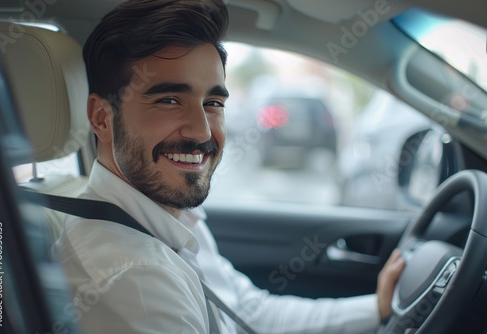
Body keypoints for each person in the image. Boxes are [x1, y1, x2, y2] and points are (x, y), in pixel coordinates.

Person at [54, 0, 405, 333]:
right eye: (169, 100)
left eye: (212, 102)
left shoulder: (168, 215)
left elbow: (247, 313)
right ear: (101, 118)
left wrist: (377, 308)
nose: (202, 131)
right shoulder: (131, 277)